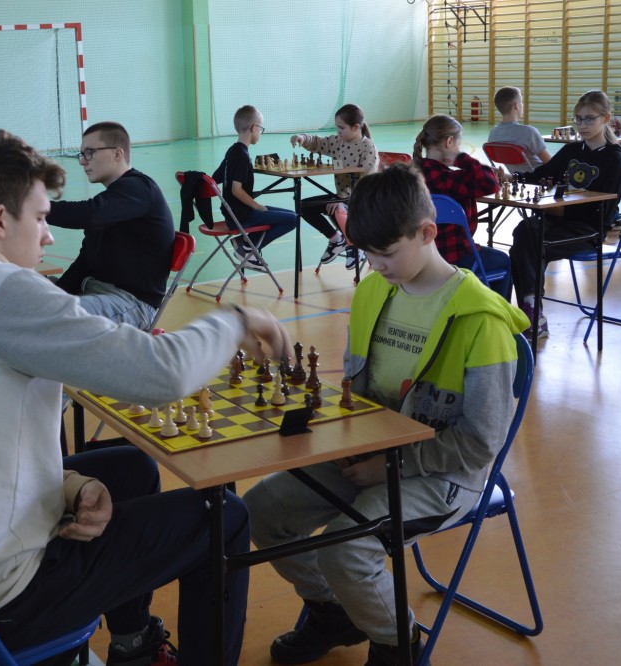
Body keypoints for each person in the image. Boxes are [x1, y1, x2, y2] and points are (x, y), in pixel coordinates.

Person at [0, 129, 293, 666]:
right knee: (223, 517)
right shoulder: (2, 291)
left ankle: (133, 643)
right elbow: (162, 375)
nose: (46, 237)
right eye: (41, 218)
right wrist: (236, 321)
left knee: (131, 468)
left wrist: (70, 485)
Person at [244, 163, 528, 666]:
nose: (375, 265)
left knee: (345, 550)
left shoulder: (481, 321)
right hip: (369, 454)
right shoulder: (373, 291)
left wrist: (392, 464)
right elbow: (357, 392)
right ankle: (335, 613)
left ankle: (398, 643)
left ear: (427, 233)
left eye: (387, 252)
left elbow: (482, 442)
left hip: (445, 473)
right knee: (261, 510)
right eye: (366, 253)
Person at [510, 90, 621, 339]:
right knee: (524, 232)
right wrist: (513, 178)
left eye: (589, 119)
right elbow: (541, 175)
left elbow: (605, 209)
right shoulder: (572, 150)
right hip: (559, 222)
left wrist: (562, 208)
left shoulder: (615, 158)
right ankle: (532, 309)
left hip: (589, 230)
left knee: (530, 240)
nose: (582, 125)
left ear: (605, 118)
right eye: (578, 119)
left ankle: (531, 312)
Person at [47, 121, 174, 330]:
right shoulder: (114, 201)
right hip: (94, 290)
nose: (82, 161)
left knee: (57, 317)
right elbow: (86, 261)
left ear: (117, 154)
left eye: (90, 152)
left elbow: (90, 214)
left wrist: (36, 207)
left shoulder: (140, 189)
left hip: (131, 302)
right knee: (28, 297)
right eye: (82, 154)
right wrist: (59, 291)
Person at [414, 114, 511, 300]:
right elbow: (490, 183)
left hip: (422, 256)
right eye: (458, 144)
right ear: (449, 141)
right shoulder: (450, 180)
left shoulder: (413, 175)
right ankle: (499, 314)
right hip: (455, 255)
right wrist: (462, 158)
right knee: (504, 261)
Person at [290, 104, 379, 270]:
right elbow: (319, 142)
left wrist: (341, 199)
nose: (338, 131)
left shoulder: (368, 147)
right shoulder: (338, 142)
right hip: (342, 197)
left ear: (356, 127)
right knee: (303, 206)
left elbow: (366, 182)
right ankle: (336, 240)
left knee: (338, 208)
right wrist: (303, 138)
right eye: (337, 127)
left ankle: (356, 245)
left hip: (361, 200)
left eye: (341, 128)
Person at [215, 105, 298, 270]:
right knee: (293, 219)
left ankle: (243, 242)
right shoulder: (242, 155)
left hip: (232, 213)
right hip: (241, 216)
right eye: (261, 128)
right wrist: (257, 206)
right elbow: (236, 190)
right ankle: (248, 248)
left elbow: (214, 178)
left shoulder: (232, 151)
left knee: (291, 214)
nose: (260, 132)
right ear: (254, 128)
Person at [488, 86, 552, 171]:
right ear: (516, 105)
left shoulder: (493, 133)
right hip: (540, 175)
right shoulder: (529, 132)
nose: (522, 104)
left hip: (517, 176)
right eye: (521, 101)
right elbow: (551, 163)